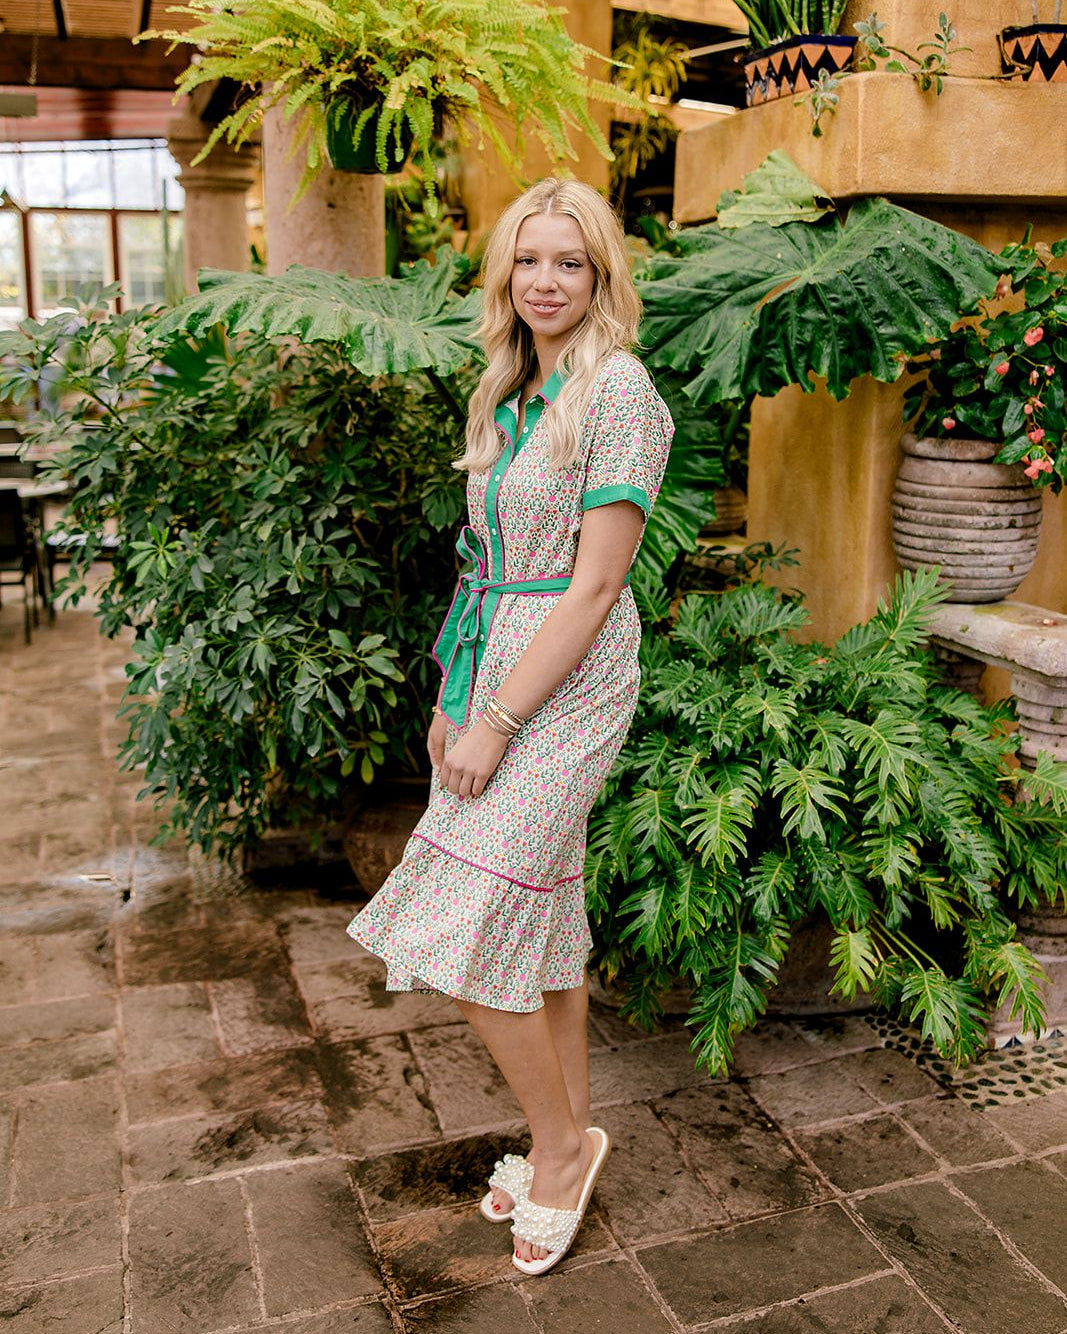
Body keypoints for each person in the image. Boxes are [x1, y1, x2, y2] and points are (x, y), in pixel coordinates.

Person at [347, 177, 673, 1276]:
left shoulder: (618, 392)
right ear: (503, 275)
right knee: (534, 918)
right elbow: (479, 566)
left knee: (471, 929)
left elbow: (588, 589)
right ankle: (571, 1132)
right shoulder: (503, 389)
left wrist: (494, 718)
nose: (545, 280)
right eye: (527, 260)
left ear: (600, 276)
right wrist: (451, 695)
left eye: (568, 262)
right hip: (491, 660)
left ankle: (554, 1147)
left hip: (568, 680)